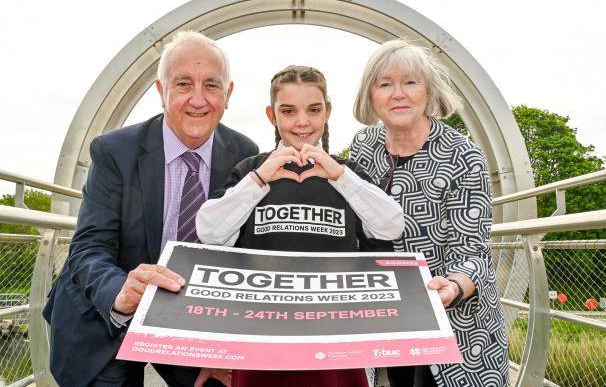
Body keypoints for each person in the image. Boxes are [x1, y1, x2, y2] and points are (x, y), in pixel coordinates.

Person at [42, 30, 258, 387]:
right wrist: (120, 292)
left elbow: (243, 258)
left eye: (212, 85)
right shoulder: (114, 151)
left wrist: (227, 346)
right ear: (162, 92)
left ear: (228, 94)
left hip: (191, 324)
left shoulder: (244, 154)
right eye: (184, 84)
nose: (198, 100)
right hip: (108, 319)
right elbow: (89, 247)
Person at [194, 65, 404, 387]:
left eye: (313, 110)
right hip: (260, 341)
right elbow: (209, 231)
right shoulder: (250, 171)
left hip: (336, 342)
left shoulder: (347, 173)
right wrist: (260, 179)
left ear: (327, 113)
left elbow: (391, 227)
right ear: (272, 115)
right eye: (289, 111)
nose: (302, 121)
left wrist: (340, 176)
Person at [349, 40, 509, 387]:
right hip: (394, 318)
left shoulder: (463, 157)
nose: (398, 94)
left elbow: (474, 251)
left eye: (410, 82)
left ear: (428, 91)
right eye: (385, 84)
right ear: (371, 95)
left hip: (457, 327)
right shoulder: (364, 146)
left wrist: (453, 285)